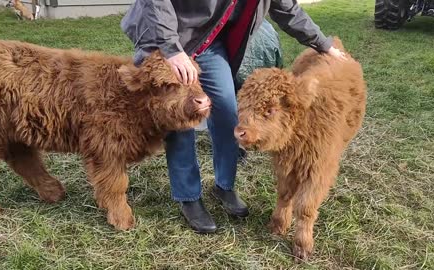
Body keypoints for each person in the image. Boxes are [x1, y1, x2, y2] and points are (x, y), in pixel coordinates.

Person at [121, 0, 346, 234]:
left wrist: (324, 46)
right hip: (164, 36)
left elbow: (288, 9)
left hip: (208, 41)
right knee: (180, 119)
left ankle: (224, 186)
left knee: (229, 113)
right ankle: (189, 197)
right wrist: (171, 49)